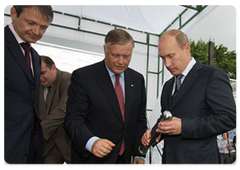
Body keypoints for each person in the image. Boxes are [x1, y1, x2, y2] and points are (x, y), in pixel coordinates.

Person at [141, 29, 237, 164]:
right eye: (163, 58)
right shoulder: (168, 86)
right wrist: (156, 131)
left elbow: (228, 119)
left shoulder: (212, 75)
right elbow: (168, 118)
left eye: (171, 56)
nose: (167, 64)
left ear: (186, 48)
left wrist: (184, 127)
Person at [64, 29, 147, 164]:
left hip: (125, 160)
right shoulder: (84, 77)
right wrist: (91, 142)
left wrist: (139, 152)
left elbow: (139, 120)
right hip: (93, 159)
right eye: (115, 55)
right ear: (105, 49)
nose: (121, 61)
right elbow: (73, 119)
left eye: (126, 56)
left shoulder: (137, 79)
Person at [2, 3, 53, 164]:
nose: (37, 32)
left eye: (43, 27)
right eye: (31, 23)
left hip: (29, 146)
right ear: (14, 14)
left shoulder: (35, 56)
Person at [39, 56, 71, 164]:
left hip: (69, 143)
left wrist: (39, 132)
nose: (40, 77)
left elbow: (64, 109)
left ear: (53, 67)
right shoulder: (35, 84)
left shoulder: (68, 79)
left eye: (43, 73)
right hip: (48, 147)